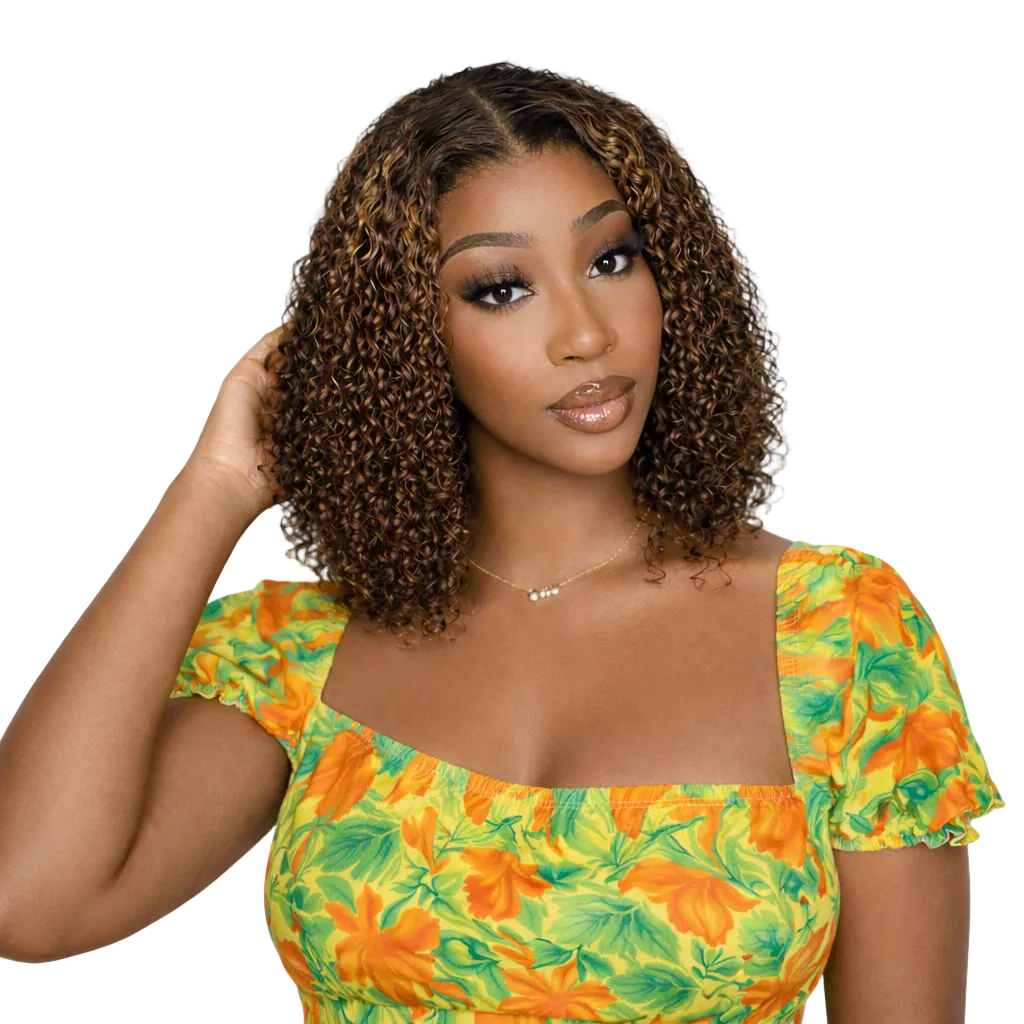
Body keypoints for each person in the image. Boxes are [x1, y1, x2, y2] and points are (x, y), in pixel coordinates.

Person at [0, 62, 1004, 1023]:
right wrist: (214, 490)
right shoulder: (298, 657)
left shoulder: (838, 635)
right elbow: (27, 901)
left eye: (612, 259)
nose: (585, 334)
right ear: (405, 335)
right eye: (499, 289)